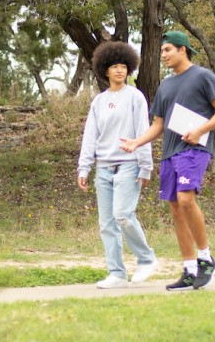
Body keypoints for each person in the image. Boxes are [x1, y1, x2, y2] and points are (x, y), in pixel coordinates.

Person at [120, 30, 215, 290]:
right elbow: (159, 124)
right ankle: (190, 269)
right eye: (162, 51)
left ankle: (206, 259)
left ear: (183, 49)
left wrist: (200, 130)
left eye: (168, 49)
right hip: (170, 153)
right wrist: (137, 142)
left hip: (193, 150)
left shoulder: (203, 76)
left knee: (186, 199)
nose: (164, 55)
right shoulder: (166, 85)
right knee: (176, 208)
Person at [77, 41, 158, 289]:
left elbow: (142, 132)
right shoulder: (99, 102)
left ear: (129, 69)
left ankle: (147, 259)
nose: (120, 70)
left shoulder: (135, 97)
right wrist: (84, 167)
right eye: (115, 66)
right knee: (107, 224)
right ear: (106, 70)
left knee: (123, 215)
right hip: (103, 168)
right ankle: (117, 273)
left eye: (123, 66)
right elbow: (90, 135)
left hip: (129, 165)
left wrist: (145, 166)